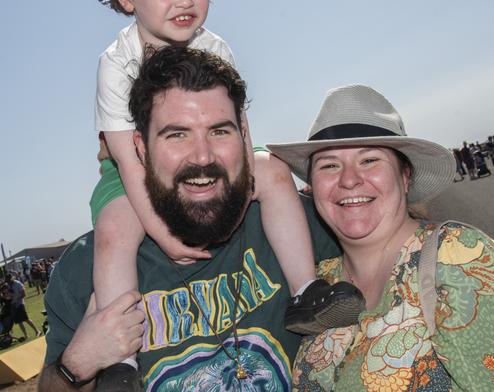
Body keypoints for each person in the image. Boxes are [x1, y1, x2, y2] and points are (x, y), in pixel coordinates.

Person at [92, 0, 359, 386]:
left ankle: (306, 291)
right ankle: (122, 360)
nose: (186, 1)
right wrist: (164, 232)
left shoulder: (216, 49)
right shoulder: (116, 64)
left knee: (273, 170)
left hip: (208, 154)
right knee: (116, 227)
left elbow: (239, 131)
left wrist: (241, 193)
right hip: (132, 163)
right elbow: (127, 160)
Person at [41, 47, 361, 391]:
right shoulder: (87, 267)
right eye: (176, 134)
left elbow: (395, 236)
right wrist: (77, 365)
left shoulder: (295, 222)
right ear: (141, 149)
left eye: (219, 131)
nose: (202, 156)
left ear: (243, 136)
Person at [268, 84, 494, 390]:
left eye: (369, 160)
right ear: (312, 187)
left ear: (405, 176)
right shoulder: (315, 286)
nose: (348, 180)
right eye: (329, 166)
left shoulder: (465, 265)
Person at [4, 273, 41, 340]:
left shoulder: (18, 284)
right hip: (13, 305)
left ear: (12, 278)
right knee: (19, 322)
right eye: (7, 280)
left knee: (26, 319)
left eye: (9, 280)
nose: (8, 282)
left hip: (20, 304)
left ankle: (37, 331)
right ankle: (26, 335)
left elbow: (24, 294)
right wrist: (7, 296)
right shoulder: (8, 286)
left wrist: (17, 299)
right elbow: (8, 296)